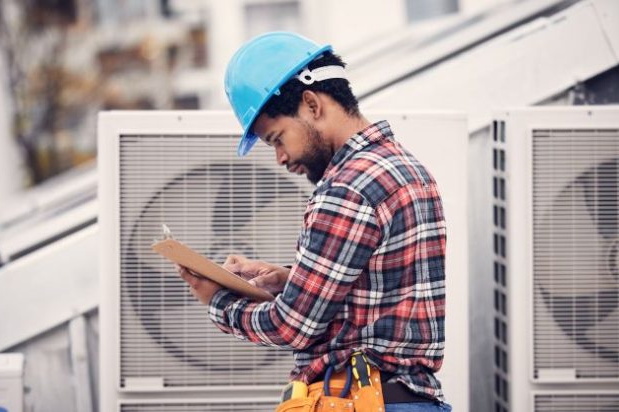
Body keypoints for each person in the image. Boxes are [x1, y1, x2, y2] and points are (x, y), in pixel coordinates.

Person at [177, 31, 451, 412]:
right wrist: (292, 279)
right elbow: (382, 290)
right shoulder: (406, 167)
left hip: (360, 402)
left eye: (277, 138)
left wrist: (218, 300)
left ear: (311, 104)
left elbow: (292, 326)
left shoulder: (347, 187)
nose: (281, 159)